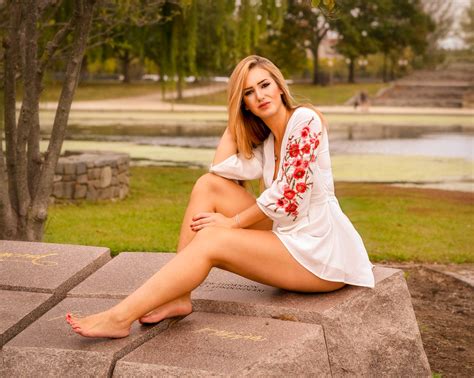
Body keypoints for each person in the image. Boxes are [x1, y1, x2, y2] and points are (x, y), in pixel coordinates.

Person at [67, 55, 375, 339]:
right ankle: (178, 295)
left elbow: (289, 196)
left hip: (321, 255)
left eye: (265, 85)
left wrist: (233, 223)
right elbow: (222, 170)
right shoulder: (268, 144)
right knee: (207, 185)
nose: (261, 96)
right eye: (249, 93)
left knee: (213, 238)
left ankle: (120, 318)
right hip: (290, 237)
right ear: (245, 104)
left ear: (280, 87)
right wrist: (234, 121)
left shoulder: (305, 120)